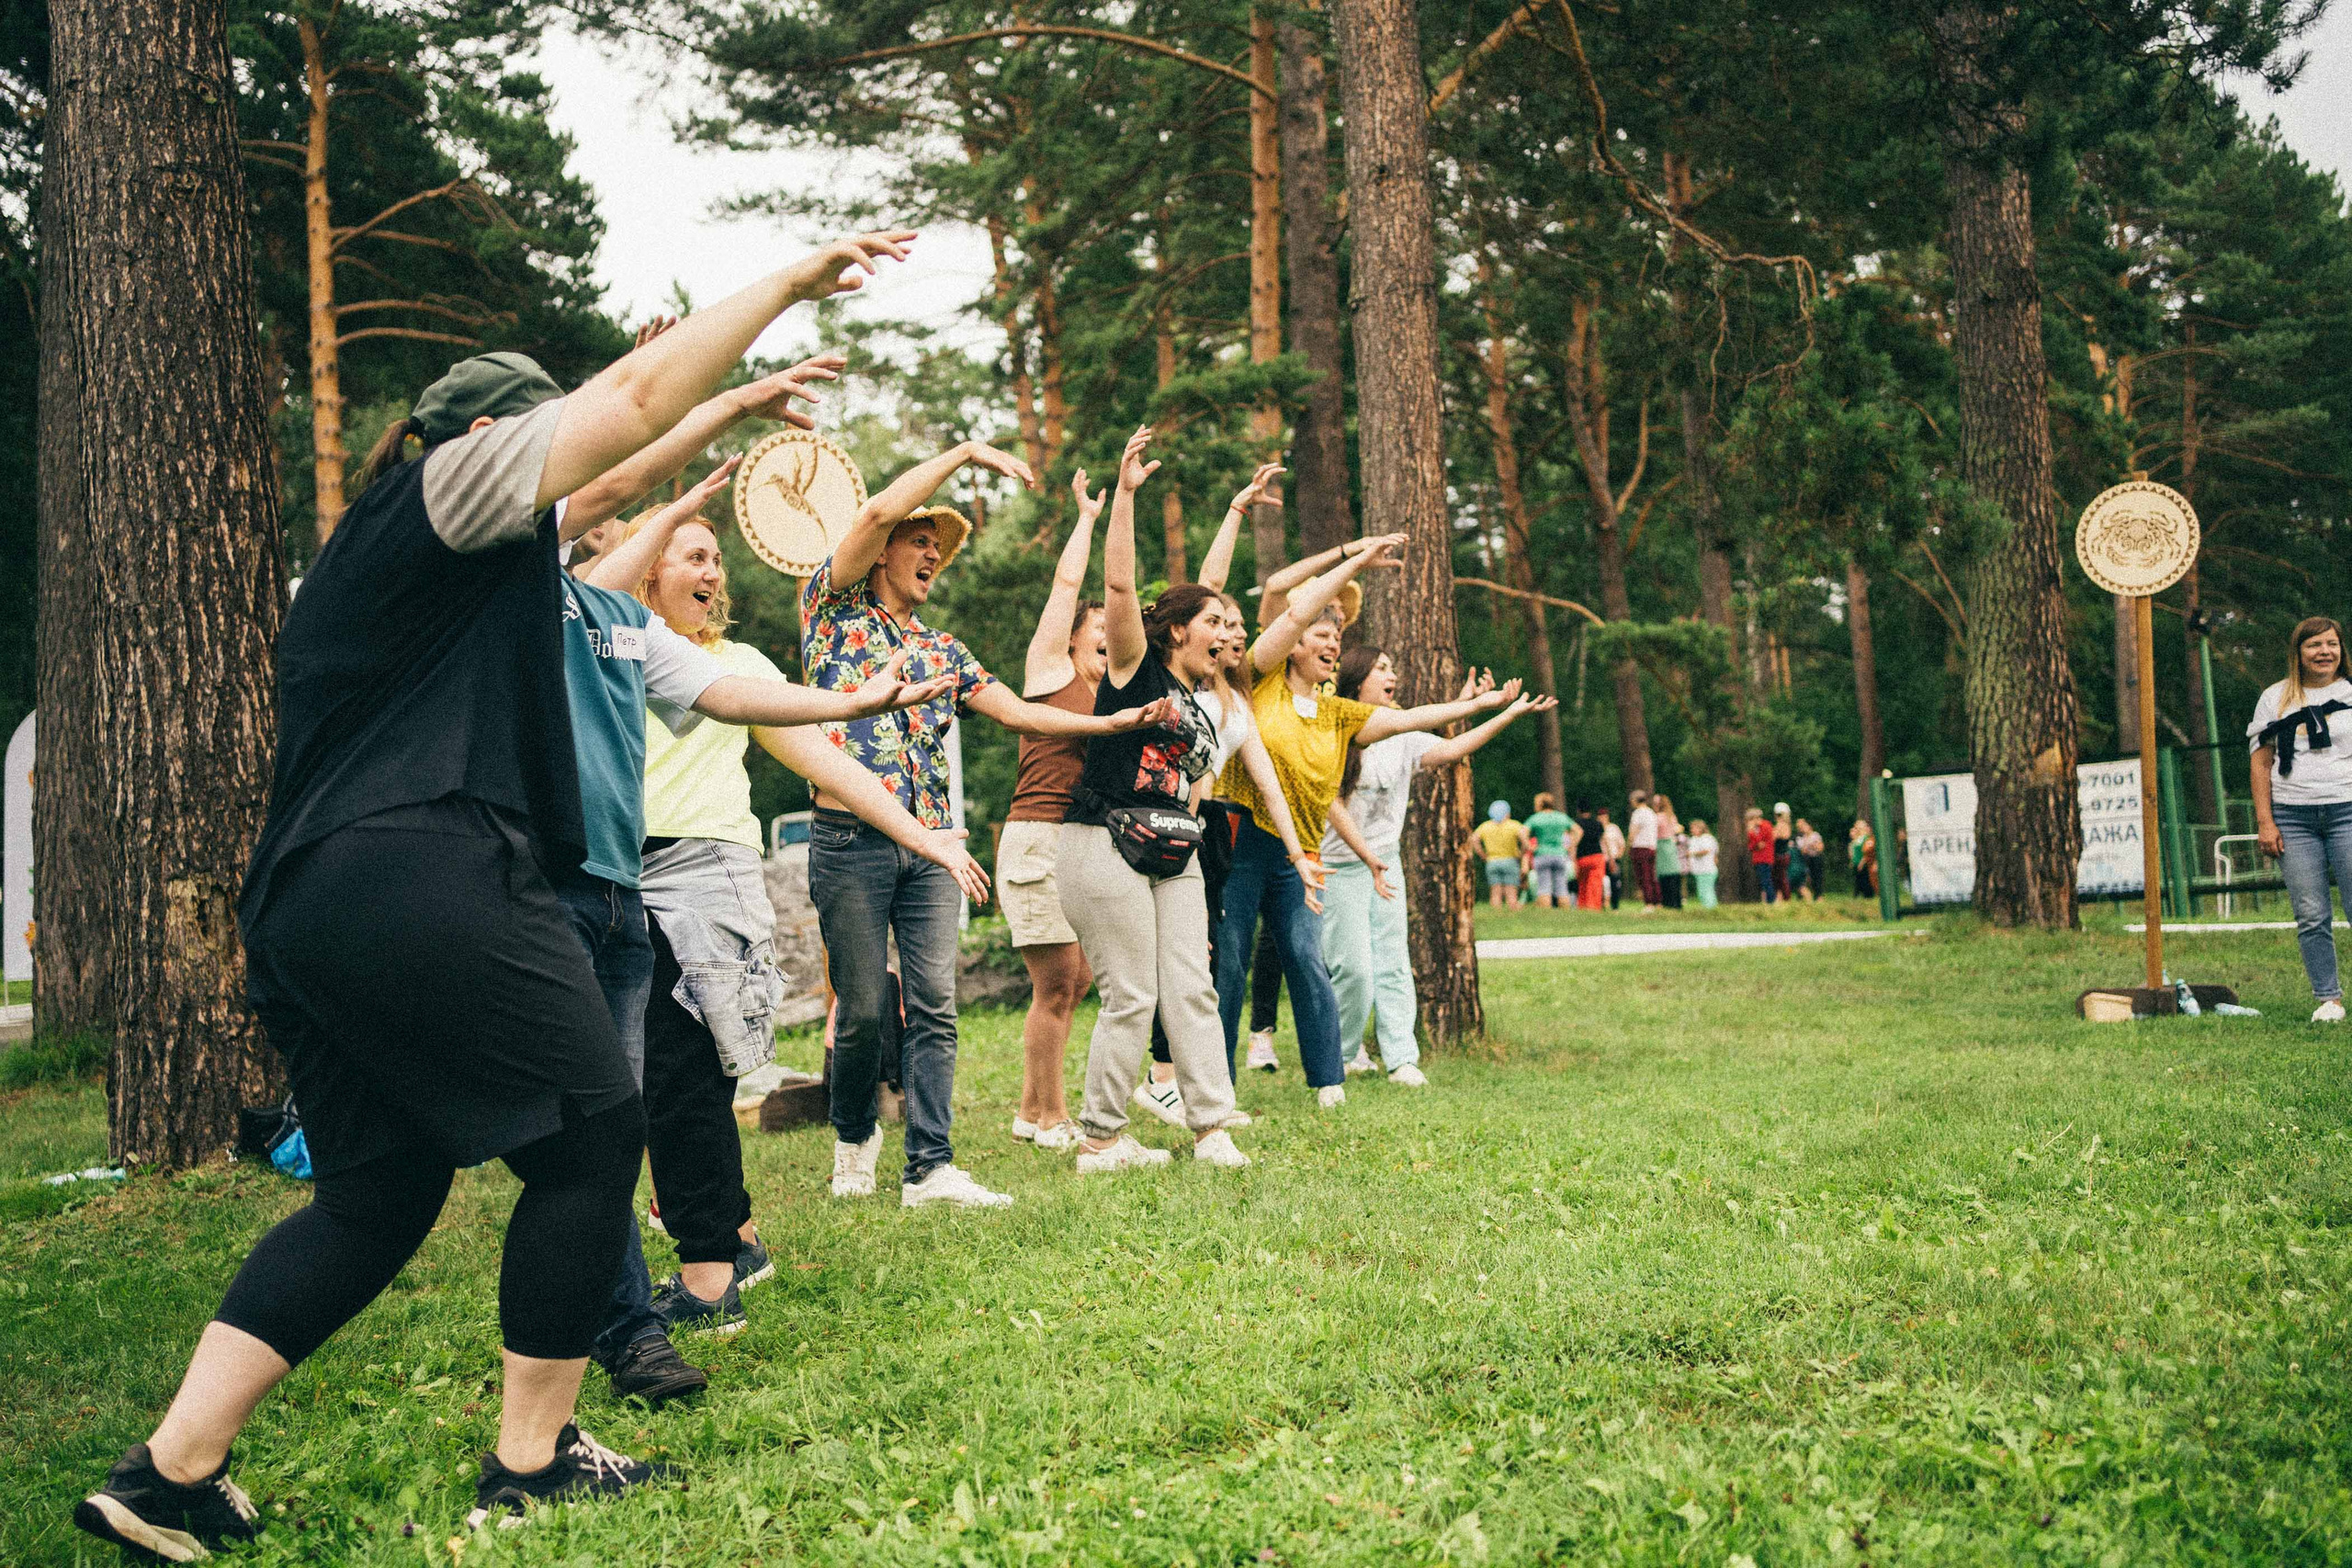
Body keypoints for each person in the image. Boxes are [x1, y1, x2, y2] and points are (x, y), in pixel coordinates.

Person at [72, 231, 920, 1561]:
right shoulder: (446, 491)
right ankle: (532, 1460)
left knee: (374, 1191)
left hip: (311, 900)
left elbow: (628, 464)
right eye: (546, 442)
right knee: (591, 1137)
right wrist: (789, 285)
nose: (566, 474)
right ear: (474, 441)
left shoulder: (445, 566)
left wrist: (729, 412)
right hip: (427, 861)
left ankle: (171, 1468)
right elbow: (623, 422)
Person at [582, 492, 989, 1347]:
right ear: (644, 564)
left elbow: (830, 765)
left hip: (702, 874)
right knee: (643, 1083)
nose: (713, 569)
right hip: (613, 875)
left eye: (716, 557)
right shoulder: (603, 652)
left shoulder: (739, 663)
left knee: (683, 1077)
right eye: (693, 554)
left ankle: (709, 1277)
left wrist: (929, 838)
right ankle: (734, 1241)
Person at [801, 437, 1170, 1208]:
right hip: (848, 842)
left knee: (935, 1002)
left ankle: (929, 1166)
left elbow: (1021, 713)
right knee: (866, 1010)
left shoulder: (945, 650)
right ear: (879, 552)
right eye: (919, 540)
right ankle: (853, 1132)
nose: (932, 553)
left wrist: (1117, 723)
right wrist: (964, 451)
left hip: (935, 847)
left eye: (939, 546)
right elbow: (876, 507)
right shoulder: (830, 610)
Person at [1061, 428, 1318, 1171]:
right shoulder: (1135, 667)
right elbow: (1119, 590)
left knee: (1194, 986)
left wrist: (1235, 517)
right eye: (1214, 623)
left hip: (1173, 844)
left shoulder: (1204, 692)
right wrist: (1128, 498)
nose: (1228, 631)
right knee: (1133, 993)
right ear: (1176, 631)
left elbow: (1211, 591)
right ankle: (1100, 1139)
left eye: (1229, 625)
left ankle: (1211, 1127)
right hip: (1102, 839)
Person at [1214, 534, 1510, 1105]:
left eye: (1337, 637)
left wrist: (1474, 706)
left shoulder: (1336, 713)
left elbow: (1406, 722)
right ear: (1294, 646)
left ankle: (1329, 1080)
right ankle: (1218, 1086)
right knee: (1230, 964)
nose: (1332, 642)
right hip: (1239, 836)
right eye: (1322, 636)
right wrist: (1352, 556)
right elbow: (1286, 598)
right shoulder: (1260, 680)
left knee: (1307, 957)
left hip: (1298, 850)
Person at [1324, 651, 1552, 1085]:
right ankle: (1342, 1053)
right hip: (1340, 867)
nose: (1393, 676)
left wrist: (1507, 714)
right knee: (1353, 969)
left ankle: (1401, 1058)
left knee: (1392, 961)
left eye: (1393, 668)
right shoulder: (1335, 728)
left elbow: (1452, 748)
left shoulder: (1405, 736)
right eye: (1382, 669)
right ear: (1357, 682)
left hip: (1386, 864)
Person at [997, 471, 1114, 1150]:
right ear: (1071, 638)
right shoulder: (1049, 674)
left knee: (1075, 983)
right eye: (1097, 628)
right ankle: (1052, 1117)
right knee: (1057, 982)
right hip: (1036, 837)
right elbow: (1065, 589)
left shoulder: (1111, 698)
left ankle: (1030, 1110)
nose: (1108, 636)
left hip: (1080, 845)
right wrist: (1087, 520)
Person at [2250, 615, 2352, 1021]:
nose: (2324, 652)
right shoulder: (2275, 698)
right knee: (2311, 912)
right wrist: (2265, 821)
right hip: (2293, 818)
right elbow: (2261, 764)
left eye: (2331, 644)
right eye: (2314, 645)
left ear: (2341, 650)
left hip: (2348, 809)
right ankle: (2329, 999)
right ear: (2299, 652)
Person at [1474, 801, 1528, 908]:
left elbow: (1474, 839)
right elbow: (1525, 842)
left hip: (1492, 862)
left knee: (1495, 891)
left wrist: (1483, 855)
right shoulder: (1514, 825)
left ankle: (1496, 912)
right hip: (1510, 861)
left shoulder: (1485, 826)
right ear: (1507, 813)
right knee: (1511, 890)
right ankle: (1512, 911)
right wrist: (1521, 853)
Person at [1524, 792, 1574, 908]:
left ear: (1540, 804)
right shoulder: (1561, 817)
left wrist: (1529, 846)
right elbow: (1578, 831)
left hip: (1542, 854)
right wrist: (1570, 846)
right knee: (1562, 886)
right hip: (1560, 854)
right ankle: (1565, 914)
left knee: (1544, 887)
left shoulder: (1536, 818)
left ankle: (1546, 913)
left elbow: (1522, 832)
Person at [1625, 790, 1661, 912]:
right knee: (1651, 875)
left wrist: (1629, 845)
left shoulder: (1638, 813)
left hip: (1640, 847)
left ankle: (1649, 902)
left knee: (1643, 876)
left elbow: (1633, 832)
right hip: (1651, 847)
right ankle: (1657, 901)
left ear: (1635, 800)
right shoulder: (1651, 813)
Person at [1573, 800, 1608, 909]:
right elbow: (1604, 841)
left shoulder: (1576, 824)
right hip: (1596, 857)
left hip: (1581, 857)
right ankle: (1593, 906)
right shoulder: (1598, 824)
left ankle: (1582, 905)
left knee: (1582, 883)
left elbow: (1573, 842)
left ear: (1578, 810)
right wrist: (1610, 858)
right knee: (1595, 883)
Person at [1654, 794, 1685, 910]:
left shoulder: (1659, 817)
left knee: (1665, 875)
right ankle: (1676, 901)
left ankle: (1668, 902)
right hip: (1671, 845)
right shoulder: (1671, 816)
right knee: (1673, 873)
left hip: (1662, 845)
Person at [1687, 818, 1721, 908]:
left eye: (1694, 828)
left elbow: (1706, 851)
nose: (1692, 830)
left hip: (1707, 869)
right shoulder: (1693, 839)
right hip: (1698, 870)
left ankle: (1710, 907)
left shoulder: (1707, 838)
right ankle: (1706, 907)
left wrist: (1692, 854)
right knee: (1701, 891)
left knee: (1707, 890)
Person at [1746, 806, 1777, 904]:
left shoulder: (1765, 826)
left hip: (1765, 858)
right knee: (1762, 881)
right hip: (1757, 858)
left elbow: (1760, 844)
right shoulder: (1756, 829)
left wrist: (1751, 833)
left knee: (1766, 880)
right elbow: (1751, 846)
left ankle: (1771, 901)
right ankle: (1767, 901)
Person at [1793, 818, 1826, 902]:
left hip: (1816, 858)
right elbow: (1803, 851)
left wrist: (1811, 846)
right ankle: (1803, 897)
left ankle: (1819, 897)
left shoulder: (1816, 835)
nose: (1802, 828)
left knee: (1817, 878)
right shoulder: (1800, 838)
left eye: (1804, 826)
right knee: (1806, 878)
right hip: (1806, 859)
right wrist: (1811, 846)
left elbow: (1820, 848)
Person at [1600, 807, 1626, 909]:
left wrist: (1618, 857)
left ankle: (1615, 905)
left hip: (1613, 859)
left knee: (1615, 882)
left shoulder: (1613, 828)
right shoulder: (1598, 829)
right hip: (1601, 859)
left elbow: (1621, 844)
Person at [1771, 802, 1796, 904]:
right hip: (1784, 855)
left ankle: (1786, 898)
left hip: (1780, 855)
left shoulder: (1780, 825)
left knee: (1780, 878)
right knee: (1780, 877)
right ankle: (1781, 898)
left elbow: (1772, 838)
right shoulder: (1787, 825)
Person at [1849, 818, 1877, 898]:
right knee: (1858, 879)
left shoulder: (1866, 838)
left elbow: (1866, 851)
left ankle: (1868, 895)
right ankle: (1858, 895)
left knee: (1865, 879)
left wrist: (1862, 861)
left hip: (1863, 862)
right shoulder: (1857, 838)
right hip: (1856, 862)